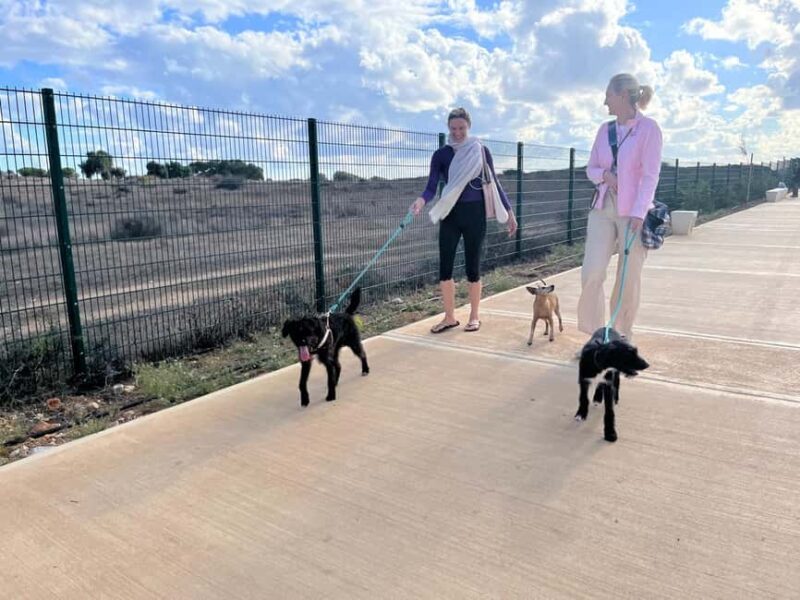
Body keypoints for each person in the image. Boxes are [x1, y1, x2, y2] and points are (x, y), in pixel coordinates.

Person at [410, 107, 518, 333]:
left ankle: (474, 316)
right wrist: (421, 201)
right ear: (448, 128)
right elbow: (431, 186)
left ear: (468, 127)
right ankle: (449, 317)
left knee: (473, 266)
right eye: (453, 128)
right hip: (450, 213)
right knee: (445, 268)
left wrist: (509, 212)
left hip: (475, 213)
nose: (457, 132)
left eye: (461, 128)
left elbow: (495, 183)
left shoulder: (480, 150)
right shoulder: (441, 155)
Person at [577, 73, 663, 341]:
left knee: (628, 276)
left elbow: (651, 175)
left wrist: (639, 212)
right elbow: (591, 168)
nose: (605, 102)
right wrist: (605, 176)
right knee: (592, 270)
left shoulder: (649, 129)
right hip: (603, 205)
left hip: (634, 209)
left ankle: (620, 332)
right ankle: (594, 332)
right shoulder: (605, 130)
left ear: (623, 95)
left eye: (609, 96)